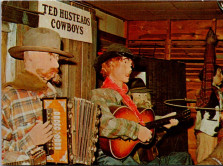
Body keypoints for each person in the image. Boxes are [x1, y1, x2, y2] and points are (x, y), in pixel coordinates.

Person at [91, 43, 192, 165]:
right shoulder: (99, 95)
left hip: (132, 158)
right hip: (109, 159)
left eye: (130, 65)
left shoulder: (127, 98)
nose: (130, 69)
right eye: (125, 63)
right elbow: (105, 124)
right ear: (110, 65)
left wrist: (163, 123)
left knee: (182, 158)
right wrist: (137, 130)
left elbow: (140, 125)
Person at [1, 27, 74, 165]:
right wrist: (30, 141)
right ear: (31, 56)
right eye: (51, 56)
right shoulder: (8, 97)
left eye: (57, 58)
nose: (57, 64)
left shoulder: (54, 95)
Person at [194, 28, 223, 163]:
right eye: (219, 74)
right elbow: (208, 66)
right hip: (206, 134)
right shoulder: (207, 91)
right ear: (211, 76)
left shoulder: (217, 92)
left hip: (214, 134)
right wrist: (210, 45)